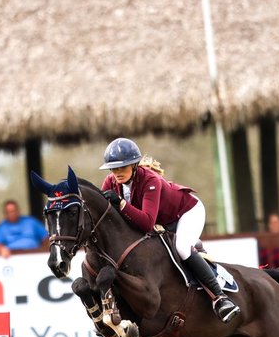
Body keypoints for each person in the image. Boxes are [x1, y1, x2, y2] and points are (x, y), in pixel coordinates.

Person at [98, 137, 239, 322]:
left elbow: (147, 222)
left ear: (134, 165)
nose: (117, 173)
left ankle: (220, 297)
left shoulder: (150, 180)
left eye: (122, 167)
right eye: (113, 168)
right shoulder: (110, 182)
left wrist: (121, 204)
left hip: (187, 213)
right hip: (163, 221)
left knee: (182, 248)